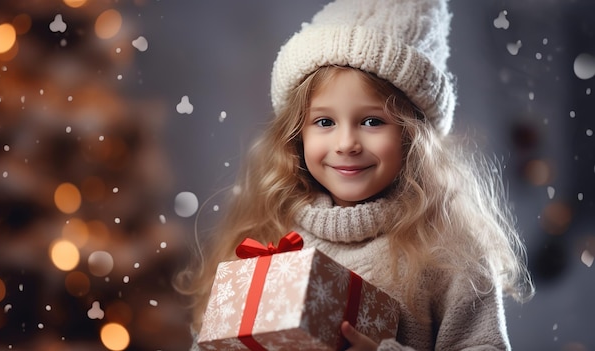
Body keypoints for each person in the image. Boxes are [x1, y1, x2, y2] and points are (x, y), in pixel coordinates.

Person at [175, 0, 534, 349]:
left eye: (372, 121)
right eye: (325, 122)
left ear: (413, 136)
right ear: (297, 134)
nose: (346, 143)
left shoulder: (448, 251)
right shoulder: (272, 235)